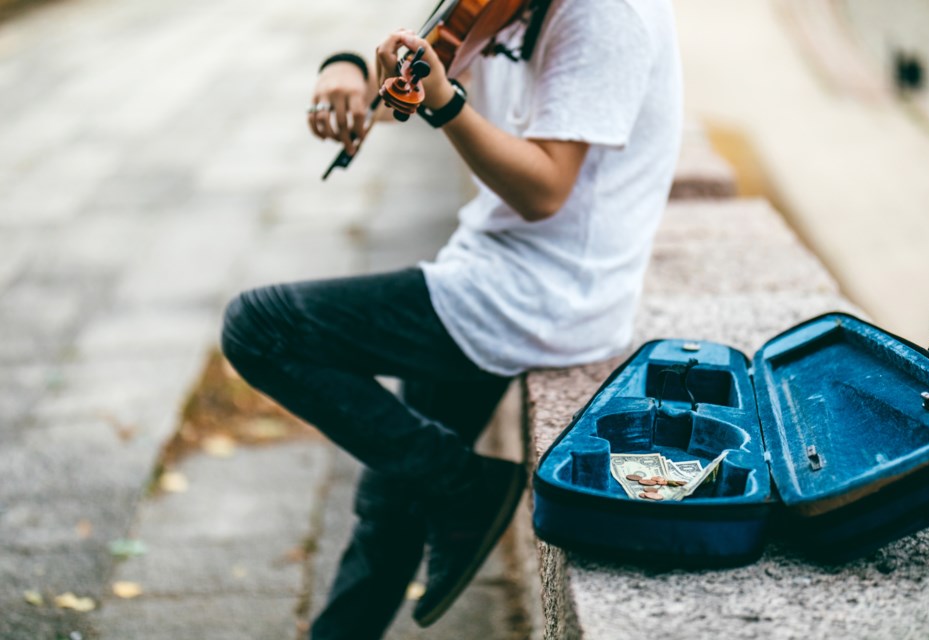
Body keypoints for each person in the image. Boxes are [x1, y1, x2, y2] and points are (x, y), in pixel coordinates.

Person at [220, 0, 682, 637]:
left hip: (545, 294)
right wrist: (349, 70)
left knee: (259, 327)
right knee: (390, 502)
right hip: (491, 266)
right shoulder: (497, 7)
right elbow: (411, 79)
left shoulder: (609, 15)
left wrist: (446, 104)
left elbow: (545, 188)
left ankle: (465, 486)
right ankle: (448, 496)